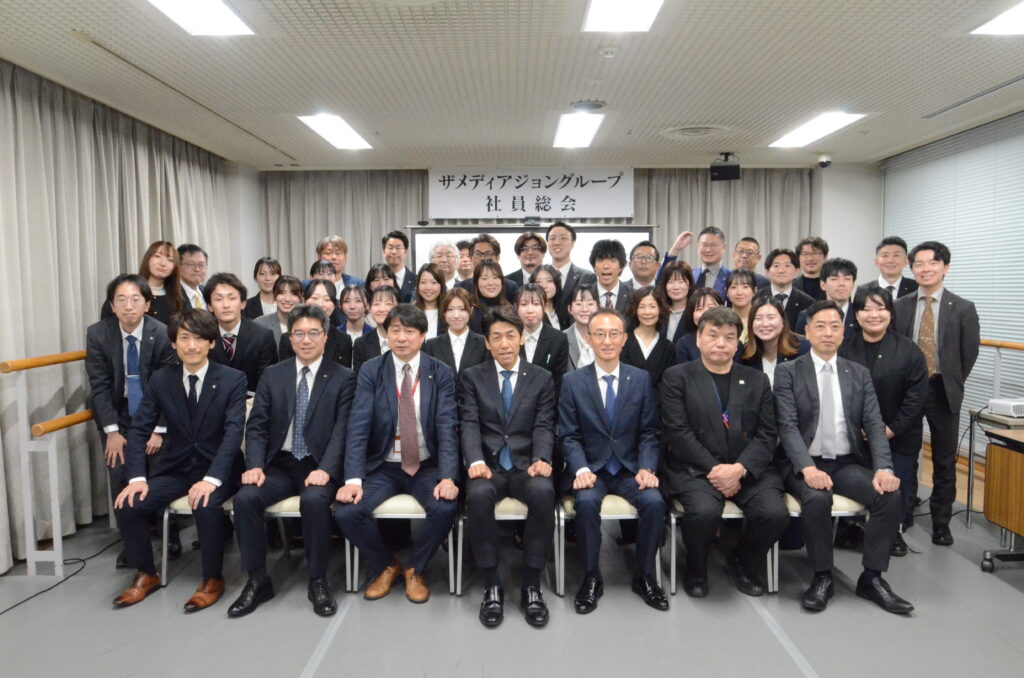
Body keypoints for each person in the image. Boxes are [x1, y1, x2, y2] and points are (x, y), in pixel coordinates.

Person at [774, 300, 912, 615]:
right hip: (803, 464)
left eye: (835, 326)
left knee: (888, 496)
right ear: (807, 332)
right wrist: (807, 468)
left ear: (843, 332)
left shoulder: (858, 373)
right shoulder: (788, 372)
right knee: (817, 498)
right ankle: (822, 577)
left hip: (845, 463)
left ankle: (872, 577)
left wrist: (884, 468)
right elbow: (787, 426)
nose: (828, 333)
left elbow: (874, 424)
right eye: (820, 326)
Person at [111, 309, 247, 611]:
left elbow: (232, 435)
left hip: (219, 469)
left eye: (199, 338)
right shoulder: (162, 379)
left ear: (211, 342)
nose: (192, 345)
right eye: (184, 338)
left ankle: (212, 578)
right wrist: (137, 478)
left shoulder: (232, 379)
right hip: (176, 467)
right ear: (173, 343)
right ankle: (146, 573)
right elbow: (139, 429)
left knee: (205, 503)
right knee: (128, 503)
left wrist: (211, 480)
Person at [229, 304, 357, 618]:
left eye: (313, 333)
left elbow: (343, 430)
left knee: (314, 501)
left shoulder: (344, 378)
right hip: (279, 464)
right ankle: (257, 580)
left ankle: (318, 579)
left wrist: (326, 470)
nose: (306, 340)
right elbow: (257, 426)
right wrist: (254, 465)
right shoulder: (273, 374)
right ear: (290, 337)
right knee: (245, 499)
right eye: (299, 333)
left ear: (325, 336)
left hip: (318, 463)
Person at [660, 307, 788, 598]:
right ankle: (696, 568)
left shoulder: (756, 380)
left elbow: (767, 433)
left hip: (746, 469)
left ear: (738, 343)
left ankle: (743, 561)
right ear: (699, 339)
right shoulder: (677, 377)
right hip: (696, 469)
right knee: (703, 513)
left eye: (729, 337)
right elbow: (678, 433)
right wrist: (716, 471)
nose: (721, 343)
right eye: (713, 335)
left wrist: (739, 469)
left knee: (774, 514)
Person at [335, 304, 460, 604]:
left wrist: (448, 476)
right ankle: (387, 565)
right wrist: (353, 479)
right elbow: (358, 426)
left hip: (427, 465)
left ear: (423, 336)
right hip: (384, 464)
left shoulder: (440, 372)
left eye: (409, 331)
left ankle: (415, 567)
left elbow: (447, 428)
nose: (401, 338)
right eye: (395, 331)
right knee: (347, 512)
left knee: (445, 507)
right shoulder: (371, 370)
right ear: (387, 334)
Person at [559, 308, 668, 614]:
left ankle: (644, 576)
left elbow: (650, 431)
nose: (607, 341)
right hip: (592, 469)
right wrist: (580, 468)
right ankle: (591, 577)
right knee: (585, 504)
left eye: (613, 334)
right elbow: (568, 435)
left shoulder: (641, 379)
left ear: (624, 339)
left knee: (655, 502)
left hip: (631, 469)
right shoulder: (572, 382)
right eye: (599, 334)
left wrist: (647, 468)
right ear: (589, 339)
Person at [460, 306, 557, 628]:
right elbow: (469, 423)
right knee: (477, 496)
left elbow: (544, 425)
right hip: (488, 466)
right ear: (487, 343)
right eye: (497, 337)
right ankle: (491, 584)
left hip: (525, 465)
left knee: (543, 492)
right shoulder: (472, 377)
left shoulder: (541, 378)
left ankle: (531, 584)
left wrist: (542, 459)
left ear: (521, 338)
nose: (504, 343)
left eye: (510, 336)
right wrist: (475, 460)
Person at [87, 274, 178, 567]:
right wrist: (111, 432)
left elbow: (169, 386)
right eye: (121, 300)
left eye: (135, 299)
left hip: (155, 412)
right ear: (112, 305)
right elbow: (99, 386)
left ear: (148, 304)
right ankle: (132, 543)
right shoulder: (98, 334)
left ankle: (170, 536)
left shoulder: (162, 333)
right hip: (120, 413)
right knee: (120, 474)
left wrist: (159, 430)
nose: (128, 306)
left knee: (160, 471)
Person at [893, 241, 979, 546]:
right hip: (907, 389)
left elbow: (968, 354)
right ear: (912, 269)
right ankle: (903, 514)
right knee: (906, 455)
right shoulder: (900, 306)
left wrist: (950, 380)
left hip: (943, 389)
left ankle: (941, 523)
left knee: (944, 459)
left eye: (932, 263)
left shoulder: (963, 308)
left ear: (946, 267)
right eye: (918, 264)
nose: (925, 269)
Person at [840, 287, 928, 556]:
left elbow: (915, 400)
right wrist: (857, 429)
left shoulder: (910, 351)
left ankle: (894, 532)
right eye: (866, 309)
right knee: (858, 484)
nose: (873, 315)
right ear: (856, 314)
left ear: (890, 313)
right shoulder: (845, 348)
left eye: (880, 308)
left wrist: (889, 430)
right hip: (856, 436)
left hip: (898, 436)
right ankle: (851, 526)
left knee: (895, 487)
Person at [204, 272, 277, 394]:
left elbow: (267, 383)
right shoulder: (203, 336)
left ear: (243, 304)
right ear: (210, 306)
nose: (226, 305)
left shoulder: (263, 336)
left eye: (232, 298)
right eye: (218, 299)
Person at [102, 241, 183, 324]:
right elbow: (106, 325)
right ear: (147, 259)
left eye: (170, 260)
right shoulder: (124, 289)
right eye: (157, 256)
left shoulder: (179, 296)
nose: (163, 263)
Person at [280, 279, 354, 369]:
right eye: (315, 298)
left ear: (334, 305)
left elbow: (344, 375)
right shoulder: (287, 338)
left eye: (327, 299)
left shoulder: (343, 340)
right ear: (304, 300)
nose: (320, 304)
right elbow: (284, 372)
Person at [741, 296, 809, 386]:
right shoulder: (744, 354)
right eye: (758, 318)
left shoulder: (804, 348)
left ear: (783, 321)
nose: (765, 324)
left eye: (771, 317)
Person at [422, 287, 488, 380]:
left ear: (471, 310)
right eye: (450, 309)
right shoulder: (432, 345)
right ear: (444, 312)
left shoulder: (483, 343)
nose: (456, 315)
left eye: (462, 309)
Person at [515, 283, 569, 394]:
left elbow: (558, 381)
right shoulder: (510, 336)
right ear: (516, 307)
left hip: (546, 400)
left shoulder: (558, 339)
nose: (530, 310)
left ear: (544, 306)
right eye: (524, 304)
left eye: (536, 304)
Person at [620, 286, 676, 391]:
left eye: (652, 307)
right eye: (642, 307)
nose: (647, 312)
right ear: (635, 310)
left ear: (660, 309)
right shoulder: (622, 341)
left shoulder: (669, 348)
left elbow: (668, 384)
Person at [794, 258, 859, 341]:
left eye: (847, 279)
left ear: (853, 285)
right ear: (823, 285)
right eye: (834, 279)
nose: (841, 284)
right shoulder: (806, 316)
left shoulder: (861, 314)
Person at [545, 222, 596, 328]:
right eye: (552, 238)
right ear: (547, 243)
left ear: (572, 243)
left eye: (563, 238)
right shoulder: (539, 277)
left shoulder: (587, 277)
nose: (557, 242)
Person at [761, 248, 814, 330]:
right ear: (767, 271)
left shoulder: (808, 302)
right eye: (776, 266)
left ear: (796, 271)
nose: (781, 271)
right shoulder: (757, 299)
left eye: (787, 265)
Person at [353, 285, 400, 373]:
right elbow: (359, 377)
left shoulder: (410, 339)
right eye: (376, 304)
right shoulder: (361, 344)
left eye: (388, 304)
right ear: (369, 307)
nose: (381, 309)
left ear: (399, 307)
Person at [458, 235, 520, 299]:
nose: (482, 258)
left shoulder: (511, 288)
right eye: (478, 254)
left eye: (488, 254)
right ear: (471, 258)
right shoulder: (461, 287)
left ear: (497, 258)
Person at [255, 275, 303, 356]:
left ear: (301, 297)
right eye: (282, 293)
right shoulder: (259, 324)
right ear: (274, 295)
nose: (287, 299)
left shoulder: (308, 324)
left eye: (293, 293)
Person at [858, 236, 918, 300]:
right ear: (876, 262)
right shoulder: (863, 290)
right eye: (885, 255)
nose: (890, 260)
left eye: (896, 255)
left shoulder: (917, 287)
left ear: (906, 261)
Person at [674, 288, 725, 364]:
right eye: (699, 309)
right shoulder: (684, 343)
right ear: (692, 314)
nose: (705, 313)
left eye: (711, 307)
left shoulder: (734, 342)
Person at [656, 260, 694, 345]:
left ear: (690, 285)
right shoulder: (659, 312)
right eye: (670, 282)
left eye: (681, 282)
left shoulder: (695, 313)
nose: (676, 287)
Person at [590, 239, 632, 314]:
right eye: (600, 260)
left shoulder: (633, 295)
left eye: (613, 260)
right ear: (594, 267)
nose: (606, 266)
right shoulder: (584, 295)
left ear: (621, 267)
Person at [468, 261, 510, 334]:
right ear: (476, 282)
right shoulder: (469, 311)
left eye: (495, 277)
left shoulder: (511, 310)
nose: (491, 283)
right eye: (484, 278)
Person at [564, 283, 599, 370]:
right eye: (579, 304)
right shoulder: (561, 339)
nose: (584, 309)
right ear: (570, 309)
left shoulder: (608, 338)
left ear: (598, 308)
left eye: (590, 304)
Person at [413, 263, 447, 337]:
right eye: (423, 282)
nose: (428, 287)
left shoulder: (448, 311)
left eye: (433, 282)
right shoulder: (411, 312)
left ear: (441, 285)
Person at [724, 269, 758, 343]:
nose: (739, 292)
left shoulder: (760, 319)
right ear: (726, 292)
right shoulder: (722, 320)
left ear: (754, 291)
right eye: (734, 287)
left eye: (745, 287)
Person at [382, 230, 415, 302]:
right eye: (390, 248)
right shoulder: (378, 280)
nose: (394, 252)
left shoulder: (416, 280)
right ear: (384, 252)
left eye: (398, 248)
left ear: (405, 252)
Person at [529, 264, 564, 329]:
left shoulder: (565, 312)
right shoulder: (530, 313)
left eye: (549, 281)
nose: (544, 286)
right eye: (538, 282)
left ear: (557, 284)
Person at [794, 236, 829, 301]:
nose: (810, 258)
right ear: (799, 258)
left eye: (815, 253)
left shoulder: (833, 285)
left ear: (825, 257)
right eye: (806, 254)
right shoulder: (790, 286)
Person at [178, 243, 209, 310]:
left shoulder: (209, 293)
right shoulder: (170, 295)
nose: (197, 269)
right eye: (191, 264)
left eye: (201, 265)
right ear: (177, 266)